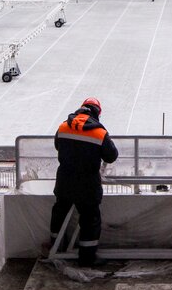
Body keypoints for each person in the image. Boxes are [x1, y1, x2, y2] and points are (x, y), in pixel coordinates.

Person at [49, 97, 119, 267]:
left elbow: (58, 146)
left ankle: (56, 248)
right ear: (97, 113)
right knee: (90, 220)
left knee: (59, 214)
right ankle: (87, 258)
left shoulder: (63, 127)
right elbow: (111, 156)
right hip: (88, 185)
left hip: (64, 181)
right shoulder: (99, 133)